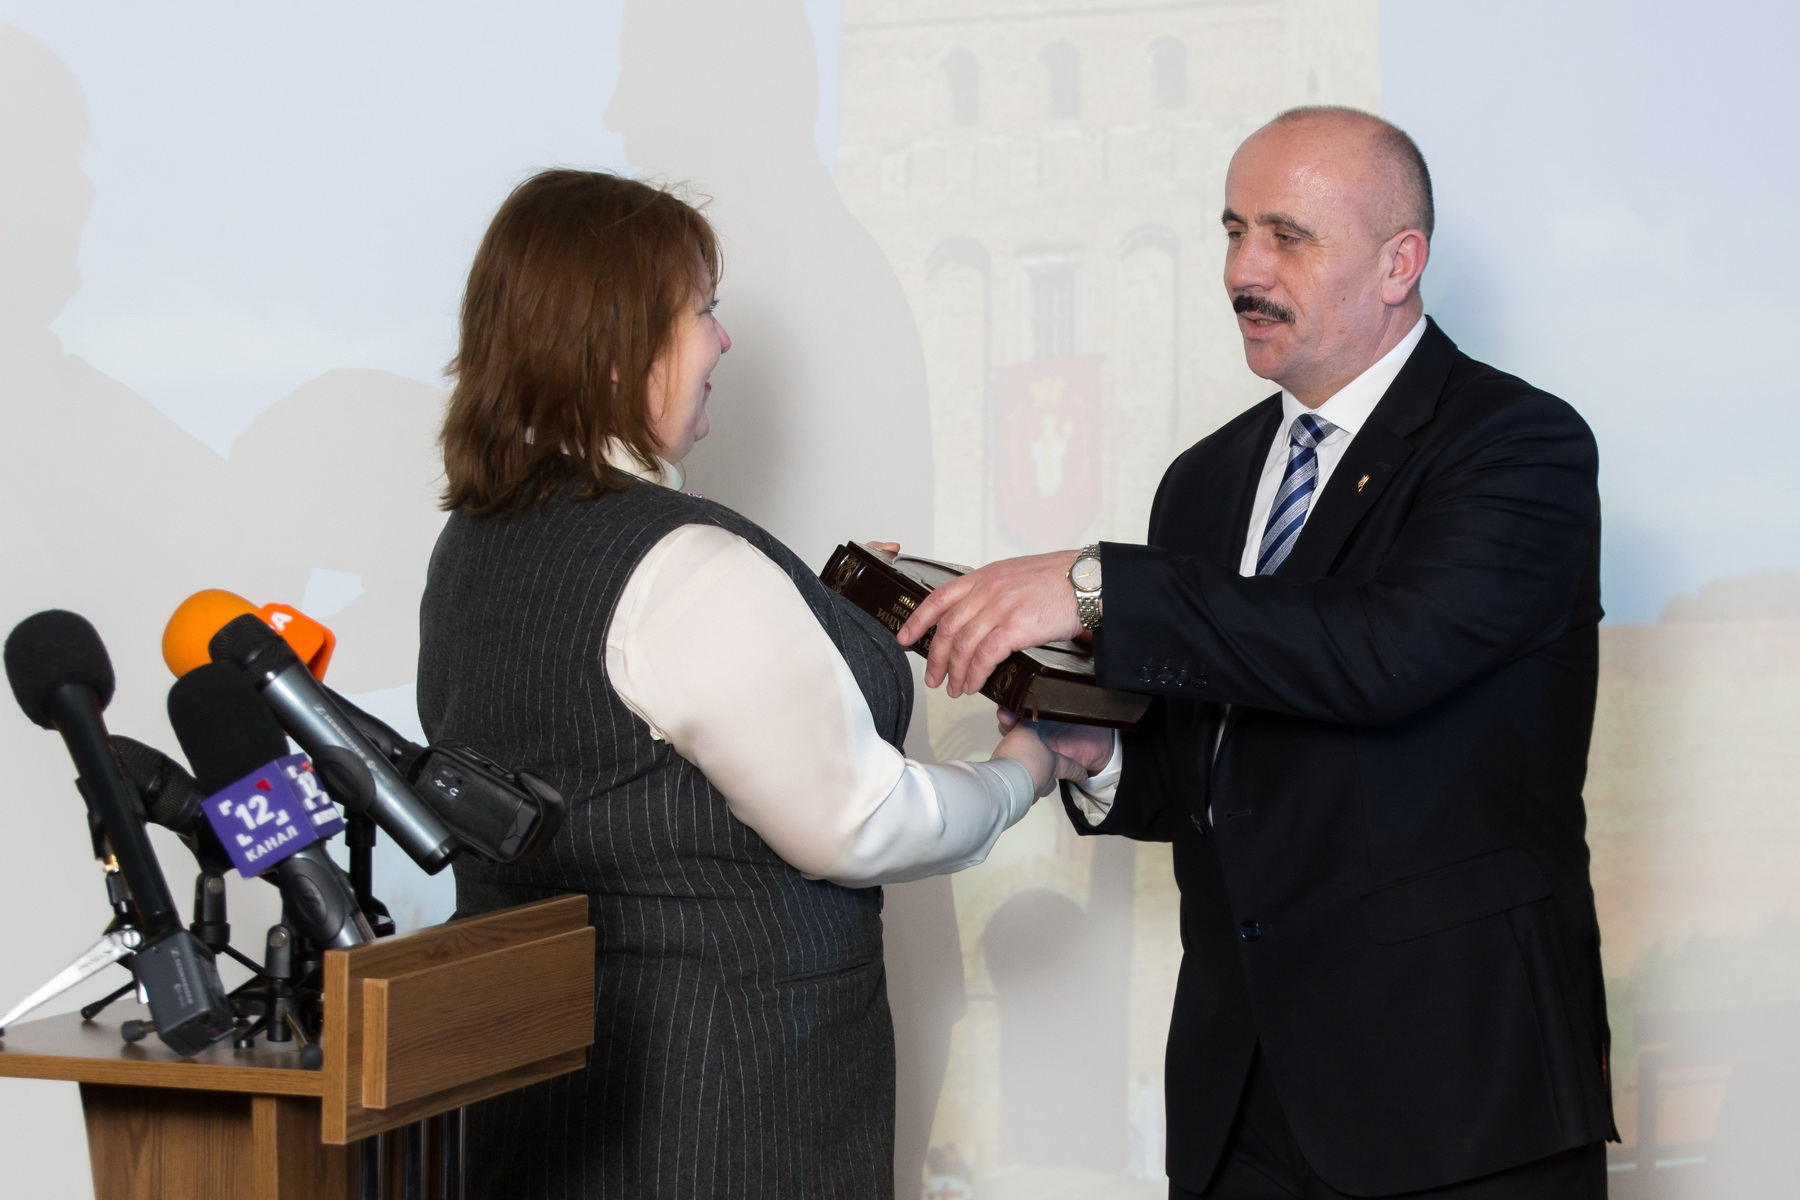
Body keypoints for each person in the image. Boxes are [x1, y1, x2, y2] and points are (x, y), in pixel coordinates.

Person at [898, 107, 1614, 1199]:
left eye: (1289, 236)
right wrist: (1108, 756)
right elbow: (1231, 768)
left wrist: (1095, 583)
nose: (1244, 270)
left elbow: (1381, 656)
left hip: (1458, 1103)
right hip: (1240, 1104)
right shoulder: (1205, 481)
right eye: (1234, 230)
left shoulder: (1519, 447)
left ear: (1400, 263)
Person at [416, 169, 1084, 1200]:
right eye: (701, 312)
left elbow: (625, 745)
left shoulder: (472, 547)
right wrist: (1024, 769)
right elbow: (862, 825)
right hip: (726, 1117)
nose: (723, 342)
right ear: (615, 346)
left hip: (543, 1112)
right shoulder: (687, 569)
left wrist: (810, 624)